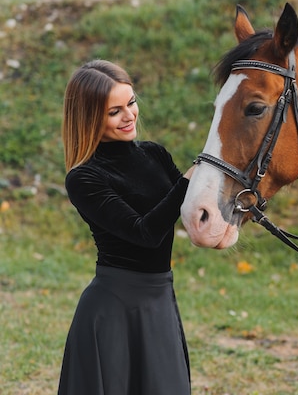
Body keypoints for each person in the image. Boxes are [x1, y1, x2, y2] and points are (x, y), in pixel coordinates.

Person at [58, 59, 195, 395]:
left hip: (160, 296)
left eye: (131, 103)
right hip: (114, 309)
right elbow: (145, 233)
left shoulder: (154, 154)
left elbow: (191, 210)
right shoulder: (84, 177)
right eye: (114, 111)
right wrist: (192, 177)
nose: (129, 115)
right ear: (89, 118)